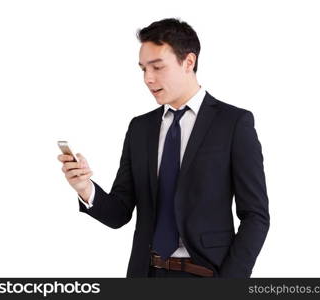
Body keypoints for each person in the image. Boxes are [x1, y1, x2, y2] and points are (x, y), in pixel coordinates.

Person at [58, 18, 270, 278]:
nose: (148, 78)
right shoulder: (140, 128)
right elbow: (119, 213)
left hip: (207, 275)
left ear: (188, 62)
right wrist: (85, 189)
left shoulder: (233, 123)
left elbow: (255, 216)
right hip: (147, 273)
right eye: (143, 69)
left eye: (157, 67)